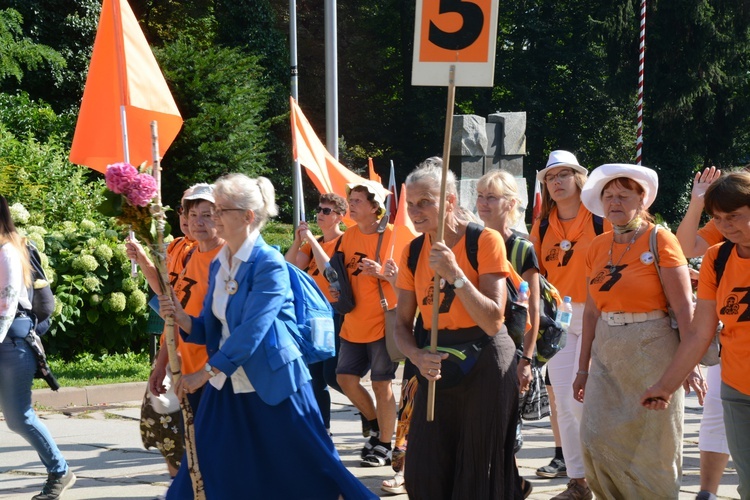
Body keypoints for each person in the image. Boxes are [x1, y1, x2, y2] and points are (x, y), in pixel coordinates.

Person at [158, 173, 376, 499]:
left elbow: (253, 330)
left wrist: (203, 373)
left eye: (220, 210)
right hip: (228, 386)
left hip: (276, 384)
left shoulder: (269, 263)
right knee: (202, 467)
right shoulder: (220, 262)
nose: (213, 217)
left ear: (247, 216)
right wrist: (181, 315)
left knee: (318, 472)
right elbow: (212, 327)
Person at [394, 164, 522, 499]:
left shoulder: (485, 240)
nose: (414, 211)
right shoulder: (412, 252)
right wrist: (417, 356)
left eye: (425, 202)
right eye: (410, 203)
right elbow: (401, 325)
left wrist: (455, 274)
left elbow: (494, 319)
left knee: (479, 469)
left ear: (449, 201)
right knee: (424, 469)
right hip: (435, 362)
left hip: (486, 361)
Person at [576, 163, 702, 498]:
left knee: (653, 449)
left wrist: (689, 366)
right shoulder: (596, 247)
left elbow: (683, 307)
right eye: (608, 196)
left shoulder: (661, 239)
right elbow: (590, 312)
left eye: (623, 195)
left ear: (641, 200)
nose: (614, 202)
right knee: (595, 439)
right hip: (606, 351)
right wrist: (581, 368)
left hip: (654, 350)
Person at [643, 170, 750, 498]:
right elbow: (700, 333)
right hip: (737, 389)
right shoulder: (717, 259)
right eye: (718, 218)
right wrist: (664, 386)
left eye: (734, 216)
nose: (726, 226)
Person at [528, 150, 607, 500]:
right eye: (550, 177)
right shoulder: (542, 224)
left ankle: (606, 477)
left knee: (592, 401)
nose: (556, 182)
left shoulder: (601, 216)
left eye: (563, 175)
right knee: (564, 401)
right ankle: (578, 482)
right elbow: (534, 277)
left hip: (601, 315)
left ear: (579, 178)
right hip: (559, 320)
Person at [127, 184, 211, 478]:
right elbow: (168, 298)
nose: (190, 218)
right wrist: (143, 260)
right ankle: (179, 489)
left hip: (203, 363)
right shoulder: (176, 247)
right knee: (167, 433)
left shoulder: (218, 254)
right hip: (175, 350)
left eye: (203, 213)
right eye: (186, 210)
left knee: (196, 442)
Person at [475, 169, 546, 497]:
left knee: (503, 429)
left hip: (509, 350)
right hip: (472, 346)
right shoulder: (470, 239)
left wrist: (527, 359)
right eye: (480, 196)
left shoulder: (521, 248)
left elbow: (533, 310)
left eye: (491, 197)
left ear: (511, 203)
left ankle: (507, 484)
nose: (483, 203)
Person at [0, 195, 76, 500]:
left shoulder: (7, 250)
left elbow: (7, 304)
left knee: (19, 417)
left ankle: (60, 471)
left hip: (13, 343)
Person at [333, 180, 399, 467]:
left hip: (383, 322)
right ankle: (375, 425)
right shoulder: (347, 237)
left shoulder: (396, 236)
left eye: (358, 200)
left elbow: (408, 280)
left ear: (375, 207)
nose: (351, 204)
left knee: (381, 384)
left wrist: (382, 274)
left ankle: (385, 444)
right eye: (351, 199)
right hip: (353, 322)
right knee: (345, 379)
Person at [675, 166, 730, 500]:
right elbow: (685, 247)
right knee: (717, 412)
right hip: (732, 336)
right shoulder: (726, 223)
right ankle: (706, 493)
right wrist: (697, 202)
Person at [285, 192, 348, 434]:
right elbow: (288, 266)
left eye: (326, 211)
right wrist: (298, 241)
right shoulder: (315, 243)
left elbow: (331, 272)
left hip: (334, 313)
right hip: (314, 316)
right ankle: (323, 427)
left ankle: (369, 408)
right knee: (315, 376)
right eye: (319, 209)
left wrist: (311, 240)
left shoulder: (344, 241)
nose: (320, 214)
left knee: (333, 375)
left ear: (339, 217)